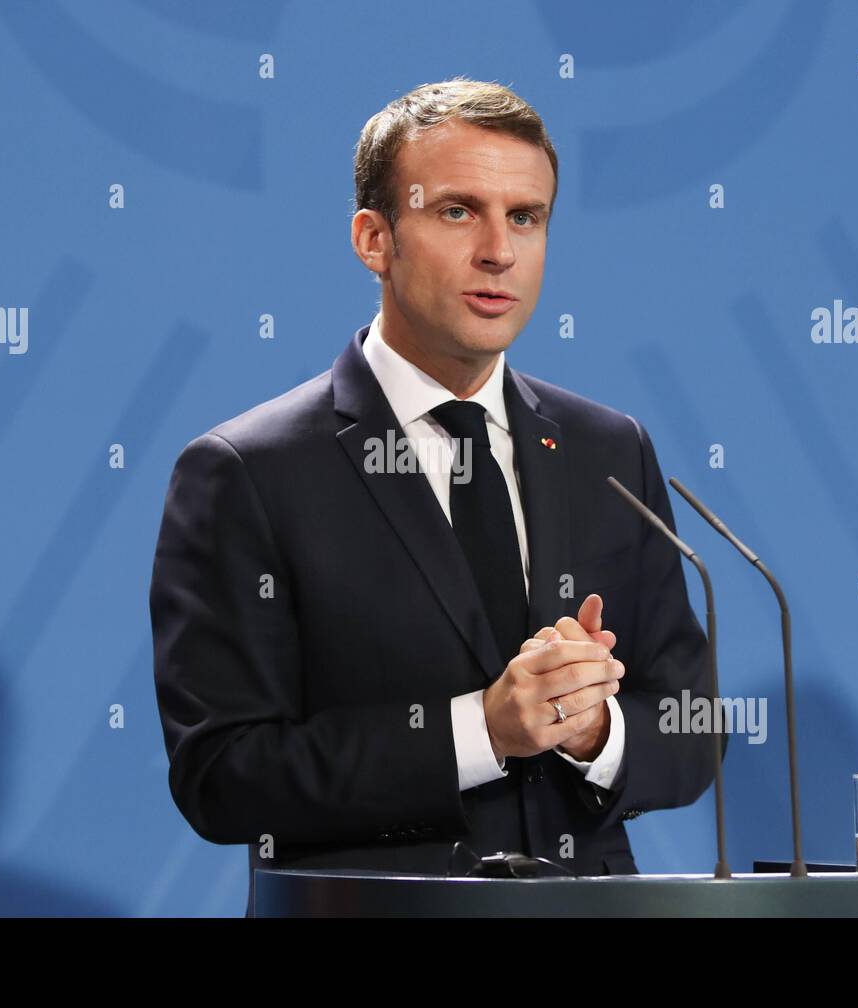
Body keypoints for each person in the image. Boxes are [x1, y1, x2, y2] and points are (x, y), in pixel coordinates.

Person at [149, 78, 723, 918]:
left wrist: (594, 730)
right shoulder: (248, 471)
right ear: (374, 239)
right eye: (459, 211)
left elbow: (690, 730)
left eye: (526, 217)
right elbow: (223, 776)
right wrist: (481, 731)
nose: (500, 251)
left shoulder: (608, 448)